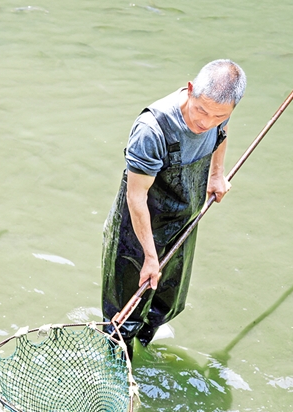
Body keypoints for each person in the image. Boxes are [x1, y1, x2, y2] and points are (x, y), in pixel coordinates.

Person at [101, 59, 246, 357]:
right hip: (137, 232)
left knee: (163, 305)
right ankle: (119, 366)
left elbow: (221, 131)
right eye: (201, 110)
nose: (206, 122)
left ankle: (144, 349)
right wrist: (149, 257)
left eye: (218, 115)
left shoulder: (218, 116)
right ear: (190, 90)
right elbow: (136, 197)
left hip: (182, 221)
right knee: (123, 321)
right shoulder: (152, 129)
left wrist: (217, 174)